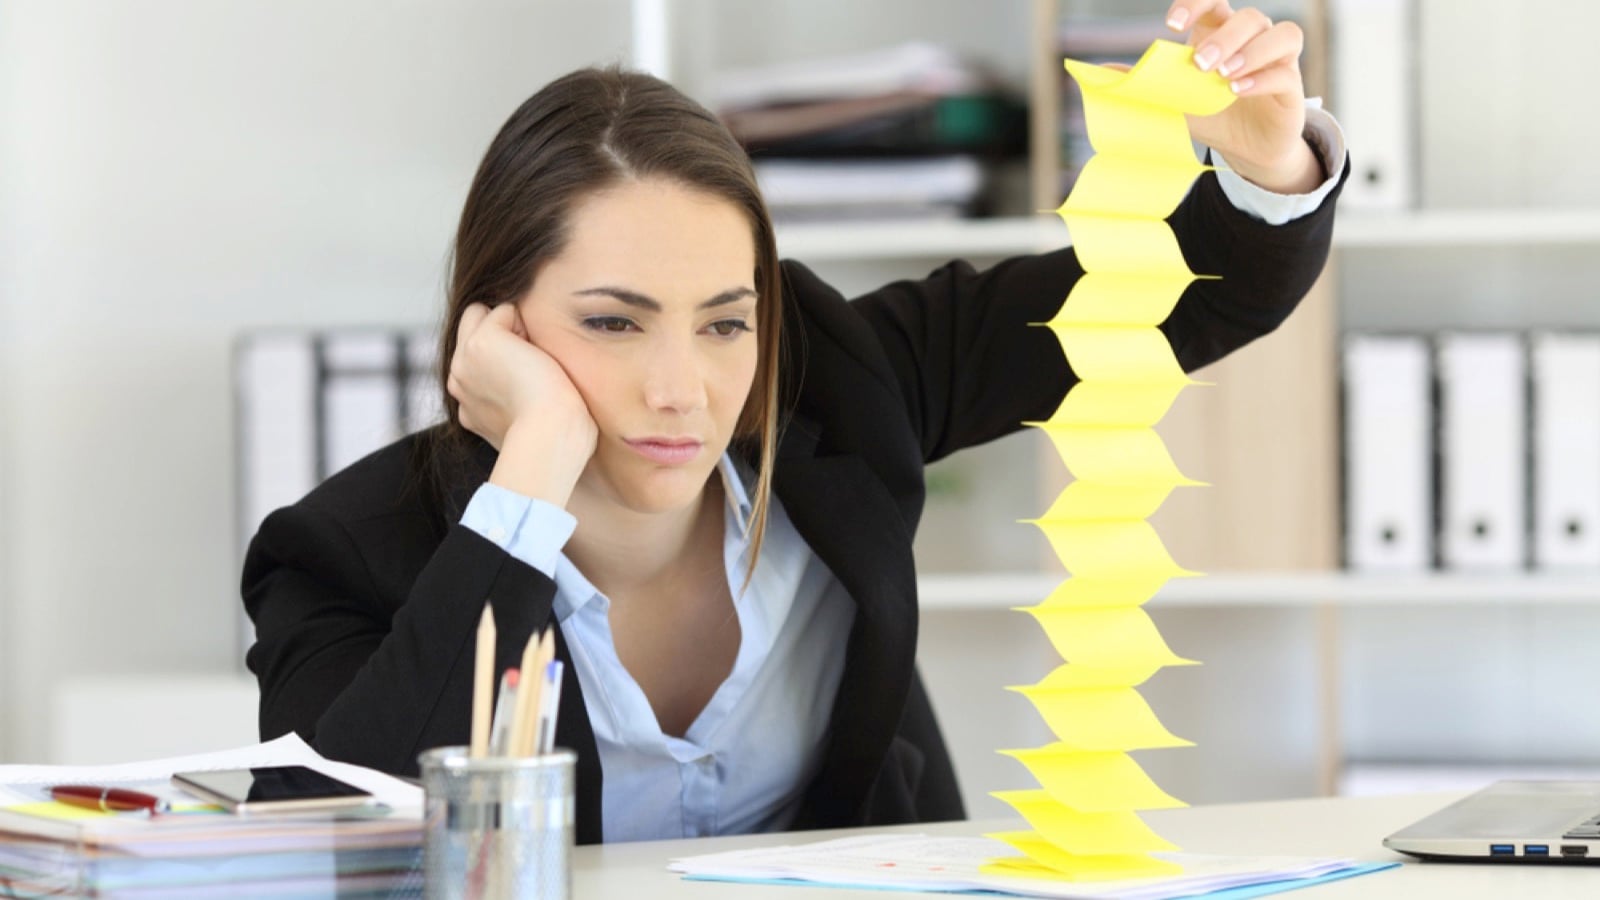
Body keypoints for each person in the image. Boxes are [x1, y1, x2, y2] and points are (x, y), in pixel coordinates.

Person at [243, 0, 1349, 845]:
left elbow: (1187, 294)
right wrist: (529, 473)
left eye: (724, 325)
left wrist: (1265, 157)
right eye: (614, 324)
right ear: (497, 325)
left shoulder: (840, 384)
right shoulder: (345, 550)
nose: (682, 390)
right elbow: (321, 834)